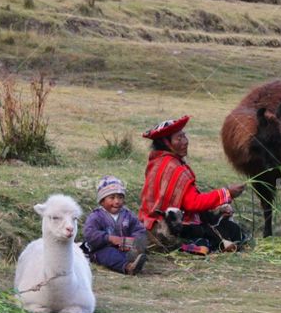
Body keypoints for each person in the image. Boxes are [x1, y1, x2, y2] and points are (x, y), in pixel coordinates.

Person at [138, 115, 248, 252]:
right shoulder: (174, 168)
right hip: (167, 226)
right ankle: (198, 247)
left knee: (218, 221)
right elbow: (192, 203)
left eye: (184, 136)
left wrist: (218, 206)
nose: (185, 142)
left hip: (149, 222)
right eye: (179, 138)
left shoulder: (158, 161)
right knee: (230, 231)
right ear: (166, 143)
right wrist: (227, 193)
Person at [82, 176, 148, 275]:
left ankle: (135, 261)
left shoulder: (128, 215)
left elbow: (139, 230)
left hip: (125, 248)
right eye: (112, 198)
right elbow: (90, 234)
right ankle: (128, 267)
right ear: (102, 200)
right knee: (110, 255)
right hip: (102, 250)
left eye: (120, 197)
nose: (117, 201)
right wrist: (109, 238)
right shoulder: (96, 216)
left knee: (134, 251)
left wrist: (134, 241)